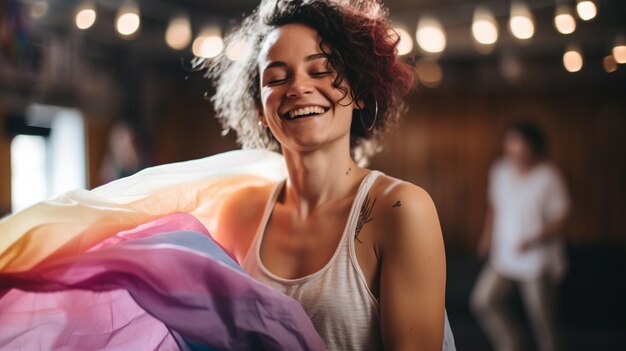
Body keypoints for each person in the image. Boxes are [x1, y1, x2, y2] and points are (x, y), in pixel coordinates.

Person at [0, 0, 455, 350]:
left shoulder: (399, 210)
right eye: (277, 77)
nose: (298, 86)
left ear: (358, 91)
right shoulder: (238, 209)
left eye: (322, 70)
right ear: (259, 109)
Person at [471, 120, 571, 351]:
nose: (513, 148)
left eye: (518, 143)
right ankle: (511, 344)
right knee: (483, 301)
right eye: (510, 142)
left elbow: (562, 220)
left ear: (532, 146)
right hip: (504, 255)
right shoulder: (500, 170)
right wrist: (486, 237)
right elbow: (494, 206)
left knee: (542, 320)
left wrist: (533, 240)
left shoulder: (549, 177)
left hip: (537, 261)